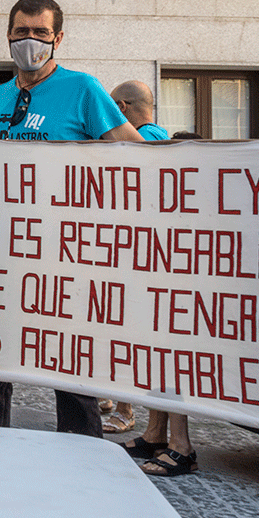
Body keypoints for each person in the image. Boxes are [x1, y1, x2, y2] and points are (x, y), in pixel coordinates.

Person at [0, 0, 143, 437]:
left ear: (58, 38)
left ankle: (82, 454)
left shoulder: (83, 89)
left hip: (64, 253)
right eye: (21, 32)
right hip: (0, 249)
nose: (30, 40)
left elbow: (133, 150)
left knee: (69, 360)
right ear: (8, 36)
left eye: (40, 32)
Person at [121, 131, 203, 475]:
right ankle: (155, 433)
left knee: (173, 361)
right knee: (155, 359)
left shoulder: (198, 196)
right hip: (158, 290)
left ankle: (181, 446)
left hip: (181, 295)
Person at [101, 80, 171, 432]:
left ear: (122, 110)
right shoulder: (163, 137)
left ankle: (125, 410)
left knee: (126, 332)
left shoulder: (146, 142)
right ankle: (111, 395)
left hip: (138, 257)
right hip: (135, 253)